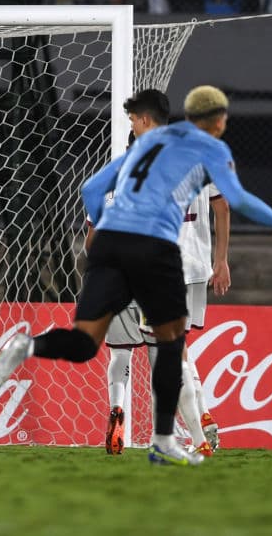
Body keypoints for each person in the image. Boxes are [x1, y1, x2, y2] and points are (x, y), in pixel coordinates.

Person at [0, 85, 272, 466]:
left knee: (87, 343)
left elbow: (90, 189)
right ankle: (184, 439)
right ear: (215, 121)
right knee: (170, 350)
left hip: (109, 252)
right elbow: (240, 201)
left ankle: (28, 346)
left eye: (133, 119)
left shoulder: (136, 155)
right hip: (152, 255)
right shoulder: (205, 151)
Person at [100, 89, 229, 458]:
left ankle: (191, 429)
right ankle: (201, 419)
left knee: (146, 354)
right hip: (193, 269)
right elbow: (223, 210)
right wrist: (221, 260)